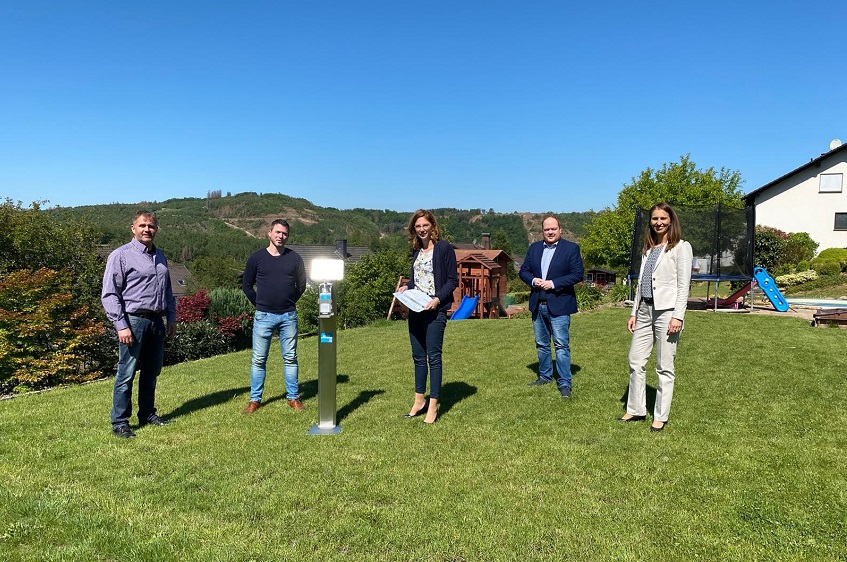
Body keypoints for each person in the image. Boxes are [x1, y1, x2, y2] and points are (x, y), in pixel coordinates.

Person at [102, 210, 177, 439]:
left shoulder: (160, 256)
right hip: (132, 321)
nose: (147, 229)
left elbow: (168, 291)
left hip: (156, 321)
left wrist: (171, 318)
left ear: (156, 229)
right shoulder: (121, 255)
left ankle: (147, 413)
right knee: (126, 373)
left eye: (151, 226)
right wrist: (121, 325)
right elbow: (109, 294)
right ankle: (120, 422)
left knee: (152, 372)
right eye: (142, 225)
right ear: (133, 228)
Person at [620, 203, 693, 432]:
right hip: (644, 311)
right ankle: (636, 409)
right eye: (654, 219)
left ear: (671, 221)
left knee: (664, 366)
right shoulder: (649, 248)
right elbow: (642, 283)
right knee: (635, 360)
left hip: (667, 313)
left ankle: (660, 415)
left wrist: (677, 317)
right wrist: (634, 312)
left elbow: (684, 285)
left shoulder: (681, 247)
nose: (658, 222)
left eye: (663, 218)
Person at [397, 210, 457, 424]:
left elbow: (451, 281)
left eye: (425, 225)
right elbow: (419, 281)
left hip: (435, 311)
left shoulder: (444, 249)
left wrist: (437, 299)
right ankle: (418, 400)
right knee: (418, 357)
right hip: (416, 310)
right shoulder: (416, 251)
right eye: (417, 226)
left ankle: (433, 405)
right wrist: (407, 287)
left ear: (432, 226)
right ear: (414, 229)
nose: (421, 229)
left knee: (433, 357)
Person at [242, 219, 307, 413]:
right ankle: (255, 400)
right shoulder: (256, 258)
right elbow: (246, 286)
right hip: (264, 316)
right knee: (259, 359)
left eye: (284, 233)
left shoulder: (295, 258)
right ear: (269, 233)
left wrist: (289, 301)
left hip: (288, 316)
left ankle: (293, 397)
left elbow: (301, 285)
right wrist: (260, 303)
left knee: (290, 358)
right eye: (277, 232)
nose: (281, 236)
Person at [519, 215, 585, 398]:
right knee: (541, 344)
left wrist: (553, 283)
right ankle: (545, 376)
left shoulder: (571, 248)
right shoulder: (534, 249)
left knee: (561, 346)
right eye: (547, 229)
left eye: (553, 229)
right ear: (542, 231)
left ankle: (565, 383)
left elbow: (577, 274)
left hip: (560, 304)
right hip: (537, 304)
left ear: (560, 230)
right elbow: (523, 271)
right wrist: (533, 280)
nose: (550, 232)